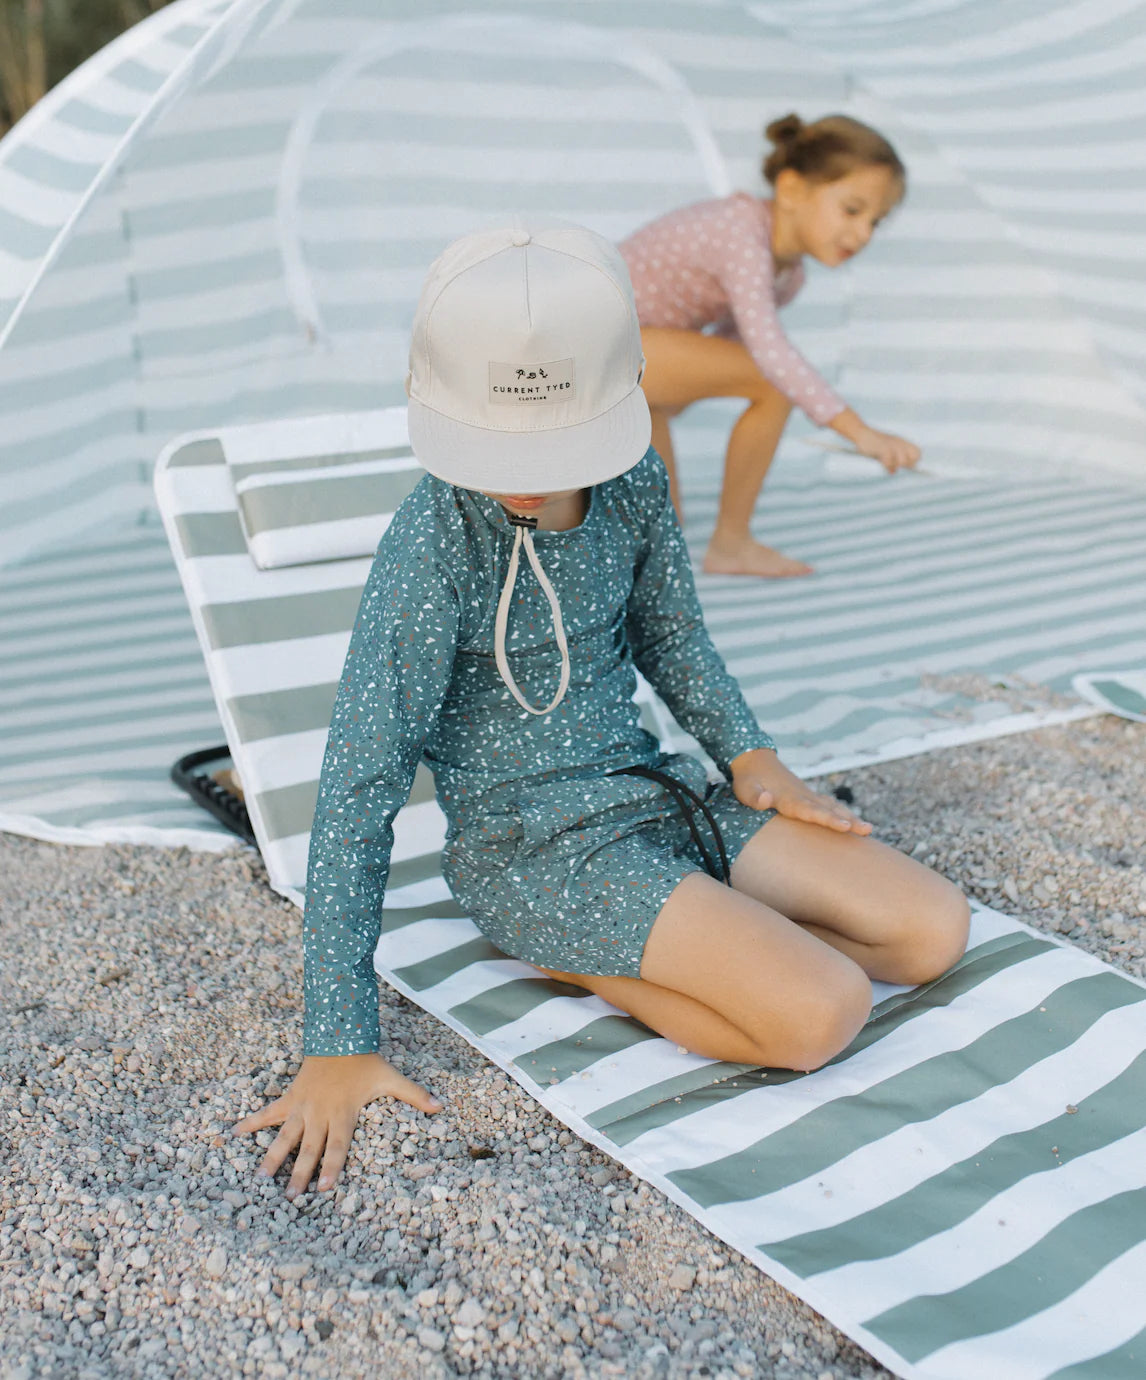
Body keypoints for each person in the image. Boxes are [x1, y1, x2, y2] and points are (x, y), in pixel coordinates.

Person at [234, 221, 968, 1196]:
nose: (529, 474)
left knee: (930, 932)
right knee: (822, 1013)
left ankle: (702, 931)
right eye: (500, 445)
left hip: (653, 791)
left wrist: (751, 758)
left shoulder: (632, 478)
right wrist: (338, 1039)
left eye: (558, 445)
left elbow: (672, 635)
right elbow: (358, 783)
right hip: (534, 851)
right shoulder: (433, 543)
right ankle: (580, 954)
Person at [621, 113, 922, 580]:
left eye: (875, 222)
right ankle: (732, 542)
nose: (863, 234)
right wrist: (858, 431)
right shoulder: (740, 231)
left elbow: (726, 352)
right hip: (594, 344)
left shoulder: (788, 276)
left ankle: (632, 549)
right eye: (852, 210)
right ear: (792, 190)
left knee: (663, 530)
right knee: (774, 382)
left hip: (634, 359)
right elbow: (767, 356)